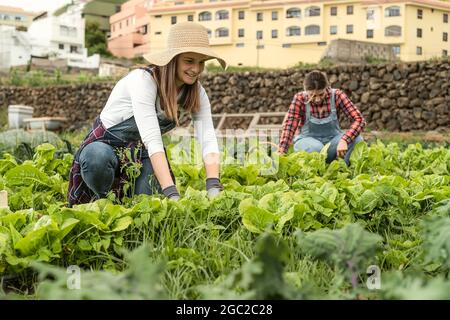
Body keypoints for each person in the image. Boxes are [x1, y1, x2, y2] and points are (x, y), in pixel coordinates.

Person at [67, 22, 225, 207]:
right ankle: (102, 204)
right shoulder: (143, 80)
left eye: (201, 62)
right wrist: (172, 193)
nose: (196, 69)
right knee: (96, 157)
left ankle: (133, 211)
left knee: (148, 200)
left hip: (141, 153)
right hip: (106, 147)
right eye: (189, 61)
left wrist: (213, 185)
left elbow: (207, 136)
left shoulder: (196, 92)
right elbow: (153, 139)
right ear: (173, 59)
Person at [278, 70, 366, 164]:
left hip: (332, 142)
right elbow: (289, 127)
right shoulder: (300, 98)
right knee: (316, 148)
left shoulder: (337, 95)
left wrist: (345, 139)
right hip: (307, 142)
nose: (317, 99)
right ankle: (315, 172)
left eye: (321, 94)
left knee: (357, 139)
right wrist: (281, 152)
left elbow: (359, 120)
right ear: (306, 90)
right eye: (312, 95)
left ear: (326, 87)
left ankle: (343, 169)